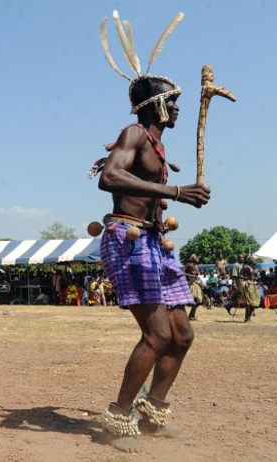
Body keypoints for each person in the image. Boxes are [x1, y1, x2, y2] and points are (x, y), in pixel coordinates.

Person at [91, 11, 211, 452]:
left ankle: (152, 413)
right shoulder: (133, 133)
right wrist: (175, 190)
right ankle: (116, 421)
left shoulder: (159, 148)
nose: (177, 107)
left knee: (182, 335)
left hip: (153, 242)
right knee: (157, 334)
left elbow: (151, 191)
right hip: (127, 239)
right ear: (155, 105)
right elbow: (109, 178)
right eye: (172, 100)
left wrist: (167, 200)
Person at [239, 256, 259, 323]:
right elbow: (239, 275)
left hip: (252, 285)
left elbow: (253, 276)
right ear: (248, 260)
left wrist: (255, 280)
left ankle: (249, 318)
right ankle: (246, 318)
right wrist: (247, 279)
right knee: (248, 302)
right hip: (247, 285)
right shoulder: (245, 267)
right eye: (252, 258)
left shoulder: (252, 267)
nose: (253, 259)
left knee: (253, 302)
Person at [184, 255, 204, 321]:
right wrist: (191, 275)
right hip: (189, 284)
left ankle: (192, 315)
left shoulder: (196, 266)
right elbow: (182, 272)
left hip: (196, 284)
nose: (198, 258)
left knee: (199, 301)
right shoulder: (188, 265)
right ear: (192, 259)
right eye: (196, 257)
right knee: (193, 300)